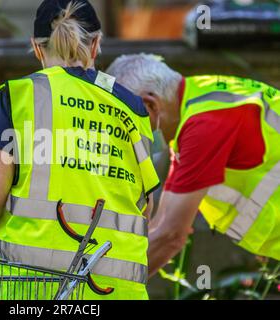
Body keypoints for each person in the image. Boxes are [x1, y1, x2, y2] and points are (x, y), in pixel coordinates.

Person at [0, 0, 160, 300]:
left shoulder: (18, 96)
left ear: (36, 48)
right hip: (119, 292)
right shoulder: (132, 106)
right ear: (96, 43)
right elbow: (145, 205)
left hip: (35, 293)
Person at [106, 54, 280, 277]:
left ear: (150, 104)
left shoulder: (204, 125)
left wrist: (109, 288)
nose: (129, 136)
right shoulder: (197, 104)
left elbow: (171, 235)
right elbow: (162, 222)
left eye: (127, 122)